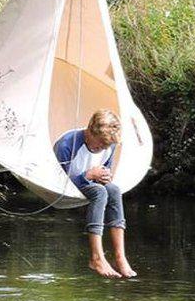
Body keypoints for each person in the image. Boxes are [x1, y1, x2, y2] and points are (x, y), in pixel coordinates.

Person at [54, 109, 137, 278]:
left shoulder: (110, 144)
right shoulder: (66, 144)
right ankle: (96, 257)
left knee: (113, 189)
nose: (100, 149)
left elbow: (105, 166)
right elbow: (57, 181)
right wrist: (87, 176)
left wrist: (105, 176)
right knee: (99, 192)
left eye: (104, 147)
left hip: (90, 182)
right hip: (69, 184)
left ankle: (120, 256)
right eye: (98, 145)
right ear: (89, 130)